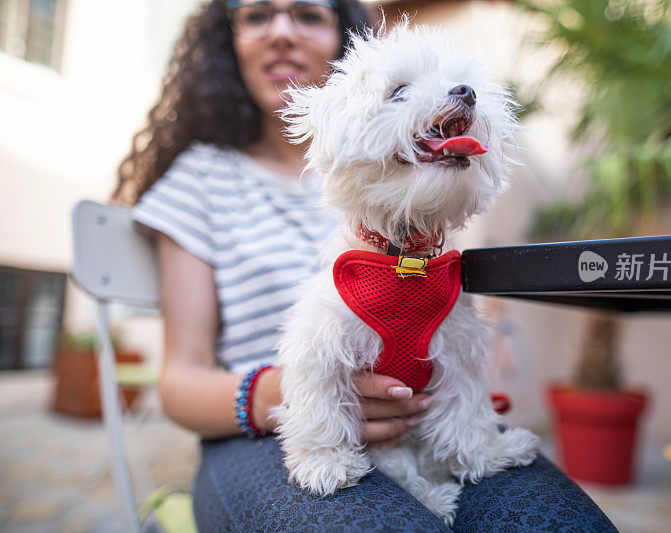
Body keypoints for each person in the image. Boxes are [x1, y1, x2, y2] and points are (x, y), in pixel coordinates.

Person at [114, 1, 616, 530]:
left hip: (428, 425)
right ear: (228, 41)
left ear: (343, 38)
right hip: (265, 433)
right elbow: (178, 381)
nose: (282, 32)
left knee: (557, 521)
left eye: (308, 15)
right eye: (258, 15)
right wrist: (293, 396)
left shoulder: (414, 168)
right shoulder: (199, 180)